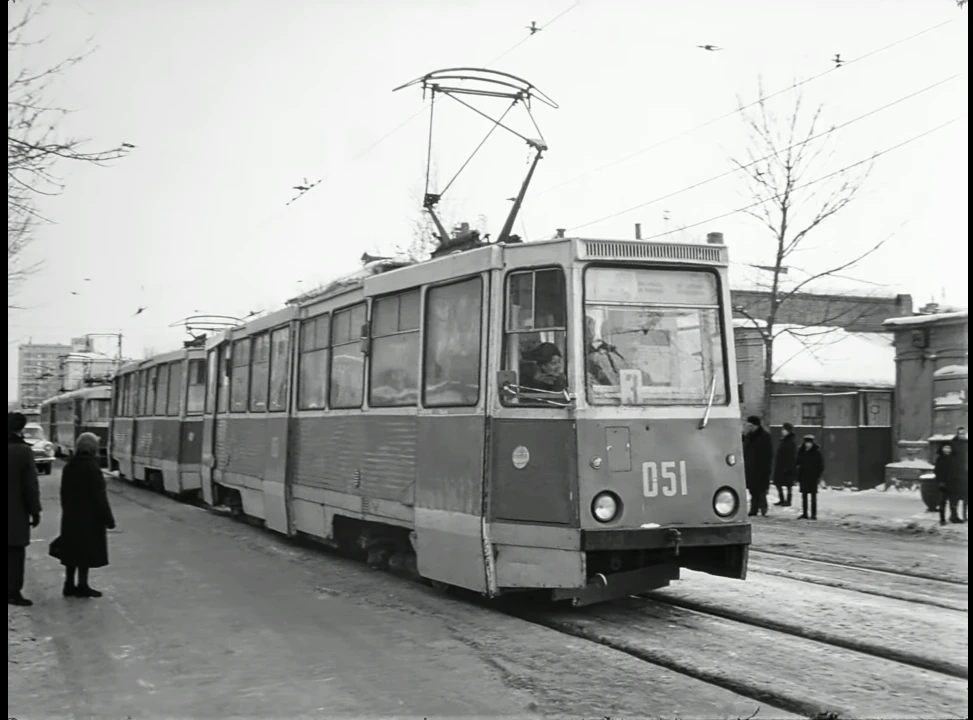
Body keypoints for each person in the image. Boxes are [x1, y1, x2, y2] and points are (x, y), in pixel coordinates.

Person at [49, 432, 116, 598]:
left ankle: (69, 584)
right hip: (89, 518)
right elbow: (99, 496)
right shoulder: (92, 468)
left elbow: (64, 493)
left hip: (71, 515)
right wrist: (108, 519)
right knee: (85, 552)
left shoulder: (70, 466)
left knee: (71, 550)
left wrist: (68, 510)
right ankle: (83, 585)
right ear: (93, 448)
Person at [8, 412, 42, 606]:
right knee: (15, 553)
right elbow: (30, 486)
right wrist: (35, 511)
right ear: (21, 428)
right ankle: (12, 592)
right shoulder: (23, 451)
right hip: (15, 513)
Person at [743, 415, 773, 517]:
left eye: (751, 425)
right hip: (750, 468)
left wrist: (766, 468)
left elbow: (768, 454)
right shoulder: (748, 436)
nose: (749, 427)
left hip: (761, 468)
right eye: (748, 425)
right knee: (753, 490)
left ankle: (763, 508)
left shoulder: (765, 437)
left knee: (761, 490)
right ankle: (754, 509)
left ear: (756, 425)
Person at [796, 434, 825, 520]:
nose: (808, 444)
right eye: (807, 443)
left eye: (810, 443)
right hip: (803, 476)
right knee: (804, 496)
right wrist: (798, 474)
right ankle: (805, 513)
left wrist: (818, 475)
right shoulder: (801, 451)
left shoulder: (816, 452)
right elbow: (797, 463)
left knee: (813, 496)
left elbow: (820, 465)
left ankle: (813, 514)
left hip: (813, 477)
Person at [934, 441, 962, 526]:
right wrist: (940, 482)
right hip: (944, 484)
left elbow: (958, 470)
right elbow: (937, 471)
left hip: (953, 483)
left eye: (949, 448)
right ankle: (942, 519)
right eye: (945, 448)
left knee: (954, 501)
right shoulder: (940, 459)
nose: (947, 450)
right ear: (942, 449)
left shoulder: (955, 459)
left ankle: (954, 517)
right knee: (943, 501)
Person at [773, 422, 798, 507]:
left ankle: (788, 500)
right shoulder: (783, 440)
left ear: (788, 431)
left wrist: (789, 466)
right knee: (778, 483)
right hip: (780, 465)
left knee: (788, 484)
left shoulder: (791, 441)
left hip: (787, 465)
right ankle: (782, 499)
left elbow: (791, 455)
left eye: (784, 429)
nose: (782, 431)